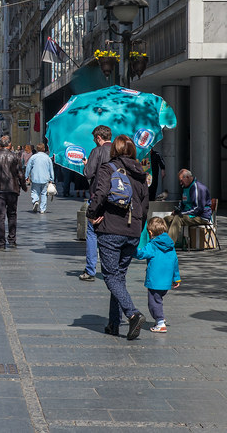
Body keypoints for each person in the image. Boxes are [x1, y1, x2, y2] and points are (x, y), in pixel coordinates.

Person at [86, 134, 150, 340]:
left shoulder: (109, 168)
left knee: (111, 275)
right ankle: (113, 324)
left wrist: (91, 214)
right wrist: (139, 229)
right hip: (133, 231)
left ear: (114, 150)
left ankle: (132, 314)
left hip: (111, 228)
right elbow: (146, 205)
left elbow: (100, 194)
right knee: (119, 277)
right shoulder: (141, 173)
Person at [135, 217, 181, 333]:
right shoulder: (170, 245)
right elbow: (175, 261)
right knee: (158, 299)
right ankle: (160, 317)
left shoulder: (153, 245)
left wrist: (132, 249)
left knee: (154, 302)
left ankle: (160, 322)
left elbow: (141, 254)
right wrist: (176, 278)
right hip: (166, 281)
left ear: (150, 232)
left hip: (155, 280)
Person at [80, 125, 112, 282]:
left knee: (92, 232)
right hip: (117, 198)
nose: (94, 141)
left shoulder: (97, 151)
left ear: (99, 138)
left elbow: (88, 173)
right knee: (111, 232)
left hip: (98, 196)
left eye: (94, 138)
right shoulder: (118, 150)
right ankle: (111, 269)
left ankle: (90, 269)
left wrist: (86, 164)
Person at [0, 135, 27, 249]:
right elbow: (20, 173)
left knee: (0, 216)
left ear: (0, 145)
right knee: (12, 214)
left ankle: (1, 242)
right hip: (12, 189)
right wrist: (23, 186)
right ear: (9, 145)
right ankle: (12, 239)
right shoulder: (14, 156)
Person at [164, 169, 213, 244]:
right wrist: (178, 210)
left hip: (201, 216)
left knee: (178, 218)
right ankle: (161, 241)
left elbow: (198, 209)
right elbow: (183, 203)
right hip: (189, 215)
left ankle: (168, 245)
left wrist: (181, 213)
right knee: (167, 219)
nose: (180, 183)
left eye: (181, 180)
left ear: (187, 177)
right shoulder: (185, 187)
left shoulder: (197, 188)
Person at [25, 144, 55, 214]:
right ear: (44, 149)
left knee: (34, 191)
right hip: (45, 178)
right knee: (44, 194)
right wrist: (52, 179)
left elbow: (28, 167)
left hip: (35, 178)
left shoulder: (33, 157)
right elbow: (51, 169)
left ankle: (35, 201)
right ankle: (42, 209)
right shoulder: (47, 158)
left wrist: (26, 176)